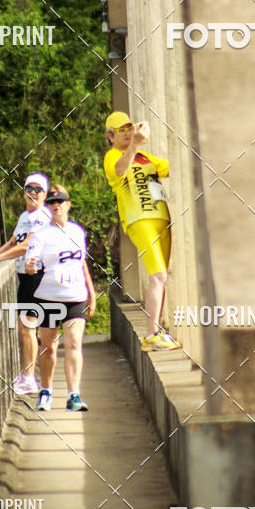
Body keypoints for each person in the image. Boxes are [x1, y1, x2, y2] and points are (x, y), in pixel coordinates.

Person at [103, 111, 180, 351]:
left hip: (161, 217)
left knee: (163, 276)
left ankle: (157, 331)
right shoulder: (112, 156)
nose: (126, 133)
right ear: (110, 136)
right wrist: (135, 144)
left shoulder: (145, 156)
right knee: (157, 276)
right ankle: (150, 334)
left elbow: (171, 168)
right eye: (121, 130)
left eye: (129, 128)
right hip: (140, 219)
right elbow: (119, 170)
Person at [25, 185, 96, 412]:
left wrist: (91, 293)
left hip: (75, 296)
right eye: (52, 203)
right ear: (48, 207)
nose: (56, 206)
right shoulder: (42, 235)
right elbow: (32, 259)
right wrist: (29, 265)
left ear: (68, 205)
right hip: (49, 298)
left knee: (74, 343)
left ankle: (73, 395)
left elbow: (81, 263)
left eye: (61, 202)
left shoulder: (77, 232)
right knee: (49, 346)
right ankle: (45, 391)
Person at [0, 173, 51, 394]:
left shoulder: (42, 216)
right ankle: (28, 375)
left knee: (28, 327)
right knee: (26, 327)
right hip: (24, 275)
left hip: (36, 275)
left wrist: (0, 259)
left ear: (44, 194)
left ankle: (29, 378)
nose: (33, 193)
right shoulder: (25, 215)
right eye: (29, 188)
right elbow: (14, 242)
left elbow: (27, 246)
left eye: (38, 190)